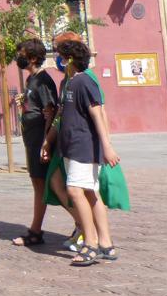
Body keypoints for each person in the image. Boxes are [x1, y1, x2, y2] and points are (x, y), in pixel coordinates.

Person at [41, 39, 120, 267]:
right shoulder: (70, 83)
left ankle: (91, 243)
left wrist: (107, 145)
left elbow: (97, 113)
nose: (59, 60)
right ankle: (106, 244)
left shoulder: (85, 82)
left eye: (61, 56)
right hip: (72, 146)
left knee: (75, 191)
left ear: (70, 59)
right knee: (90, 193)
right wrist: (49, 141)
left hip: (82, 146)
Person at [10, 39, 67, 247]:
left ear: (33, 57)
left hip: (38, 141)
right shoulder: (32, 80)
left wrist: (46, 141)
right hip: (30, 139)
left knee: (47, 186)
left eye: (22, 53)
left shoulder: (43, 81)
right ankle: (36, 229)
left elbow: (50, 111)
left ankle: (81, 223)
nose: (19, 57)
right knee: (39, 185)